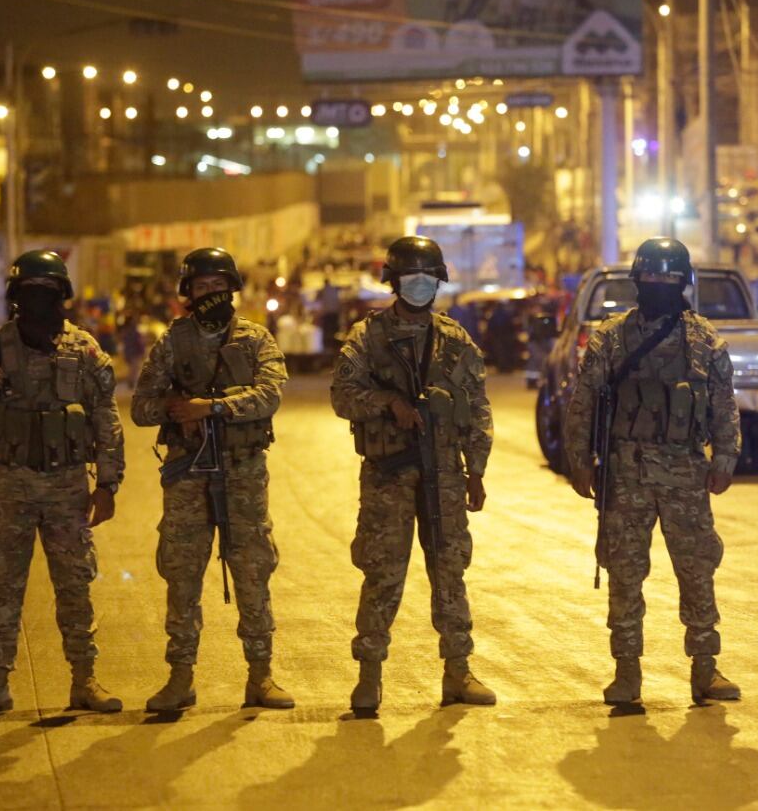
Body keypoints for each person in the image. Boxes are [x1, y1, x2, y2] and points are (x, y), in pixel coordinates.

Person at [563, 238, 742, 705]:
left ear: (683, 284)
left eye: (669, 279)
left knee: (698, 568)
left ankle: (705, 668)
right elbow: (584, 403)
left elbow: (724, 404)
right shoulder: (610, 337)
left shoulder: (704, 339)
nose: (660, 286)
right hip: (627, 470)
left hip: (686, 470)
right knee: (624, 572)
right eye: (651, 279)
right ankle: (627, 673)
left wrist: (725, 458)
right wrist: (579, 461)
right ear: (638, 281)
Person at [0, 250, 125, 717]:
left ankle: (85, 680)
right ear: (14, 299)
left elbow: (106, 417)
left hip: (68, 487)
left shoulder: (83, 349)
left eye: (46, 295)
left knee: (75, 586)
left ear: (62, 298)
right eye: (29, 295)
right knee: (3, 588)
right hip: (9, 488)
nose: (37, 304)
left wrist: (108, 483)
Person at [331, 235, 496, 712]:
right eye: (411, 278)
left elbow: (476, 409)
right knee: (383, 573)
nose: (420, 286)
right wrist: (387, 403)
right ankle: (369, 675)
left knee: (450, 572)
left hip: (444, 472)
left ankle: (458, 671)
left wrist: (476, 471)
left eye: (428, 278)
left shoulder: (454, 341)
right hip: (389, 475)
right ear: (393, 282)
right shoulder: (367, 338)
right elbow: (343, 395)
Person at [132, 247, 293, 713]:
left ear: (232, 289)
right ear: (188, 293)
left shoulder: (256, 339)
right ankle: (180, 677)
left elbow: (268, 396)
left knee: (252, 570)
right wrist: (174, 408)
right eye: (202, 288)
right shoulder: (172, 343)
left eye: (218, 287)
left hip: (242, 472)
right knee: (182, 575)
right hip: (188, 475)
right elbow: (141, 406)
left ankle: (261, 676)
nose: (211, 295)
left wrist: (214, 407)